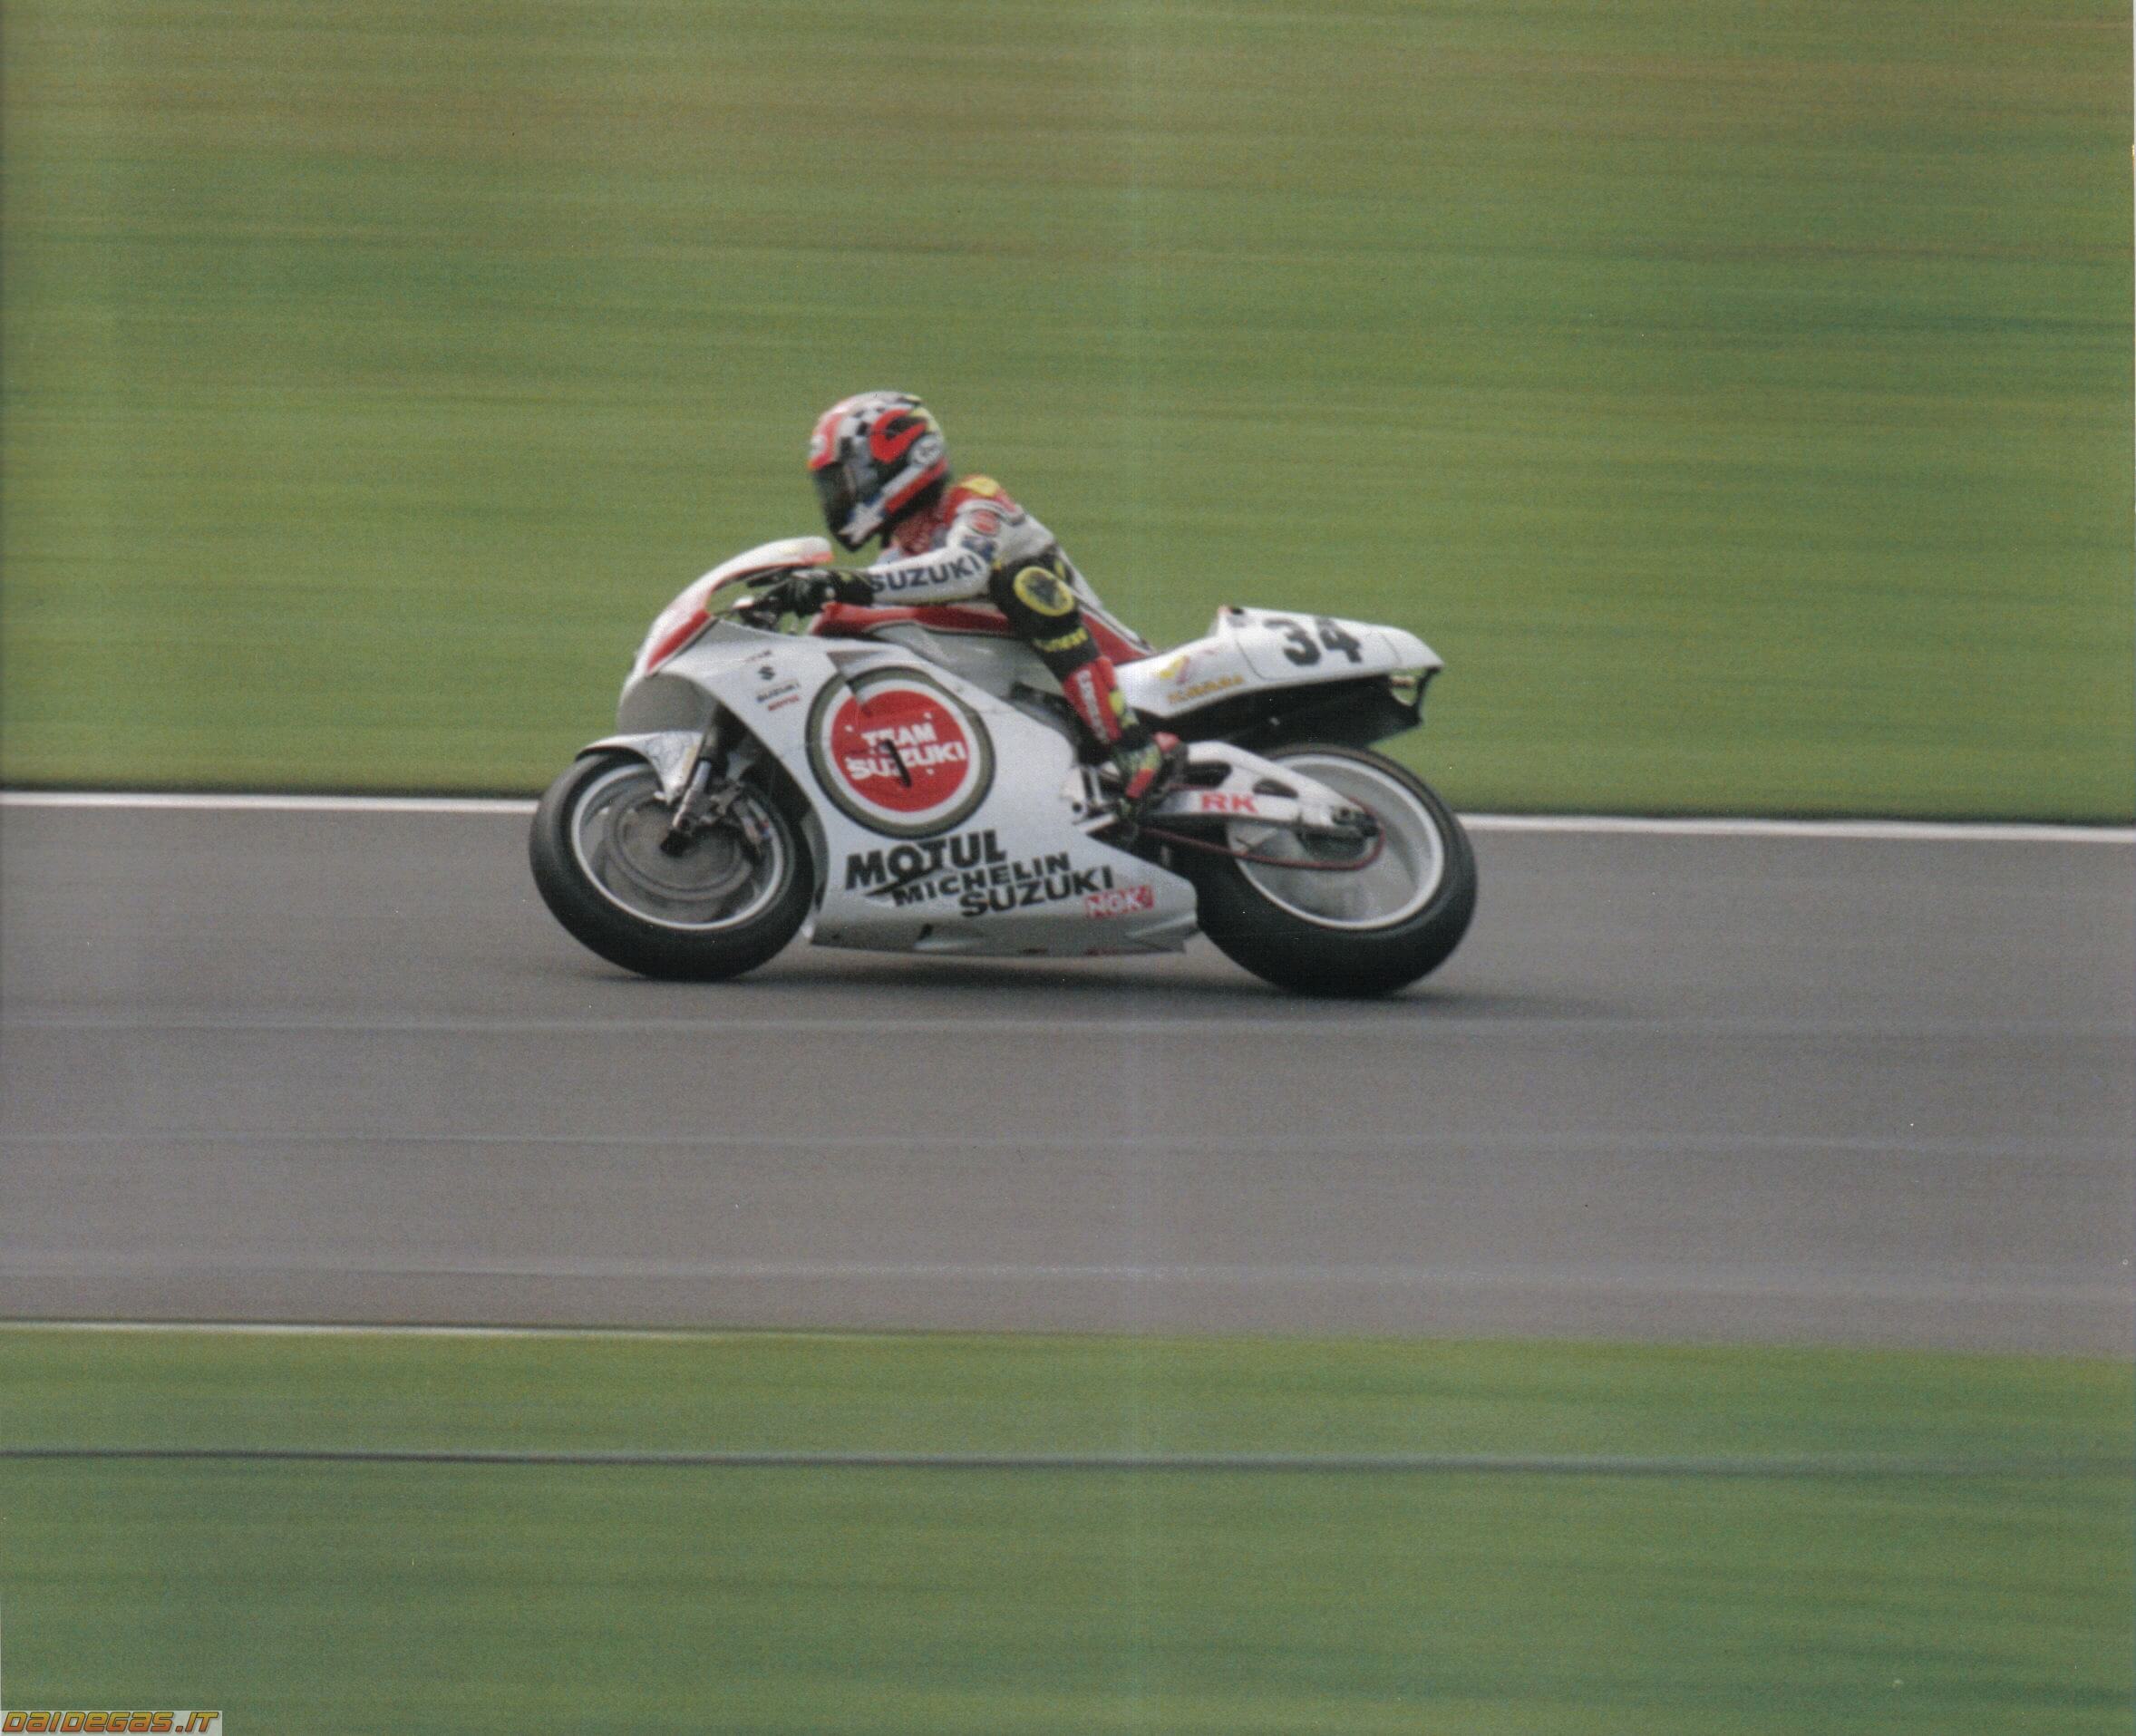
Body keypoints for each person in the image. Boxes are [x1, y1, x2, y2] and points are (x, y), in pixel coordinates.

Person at [755, 390, 1181, 815]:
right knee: (848, 621)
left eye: (848, 478)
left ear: (901, 458)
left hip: (1114, 665)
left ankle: (1133, 747)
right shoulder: (894, 561)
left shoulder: (975, 499)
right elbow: (855, 607)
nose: (839, 495)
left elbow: (965, 567)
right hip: (1024, 689)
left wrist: (838, 583)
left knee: (1021, 583)